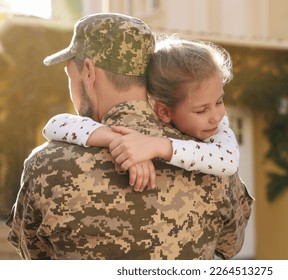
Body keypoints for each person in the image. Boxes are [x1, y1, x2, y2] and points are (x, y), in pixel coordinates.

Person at [6, 13, 253, 260]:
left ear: (89, 72)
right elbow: (228, 247)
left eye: (71, 77)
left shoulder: (46, 165)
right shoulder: (210, 159)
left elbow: (34, 256)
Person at [42, 36, 240, 192]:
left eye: (220, 101)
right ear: (163, 112)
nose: (217, 115)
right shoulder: (139, 127)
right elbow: (54, 125)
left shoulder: (218, 128)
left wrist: (157, 146)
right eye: (201, 110)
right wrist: (116, 139)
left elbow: (228, 161)